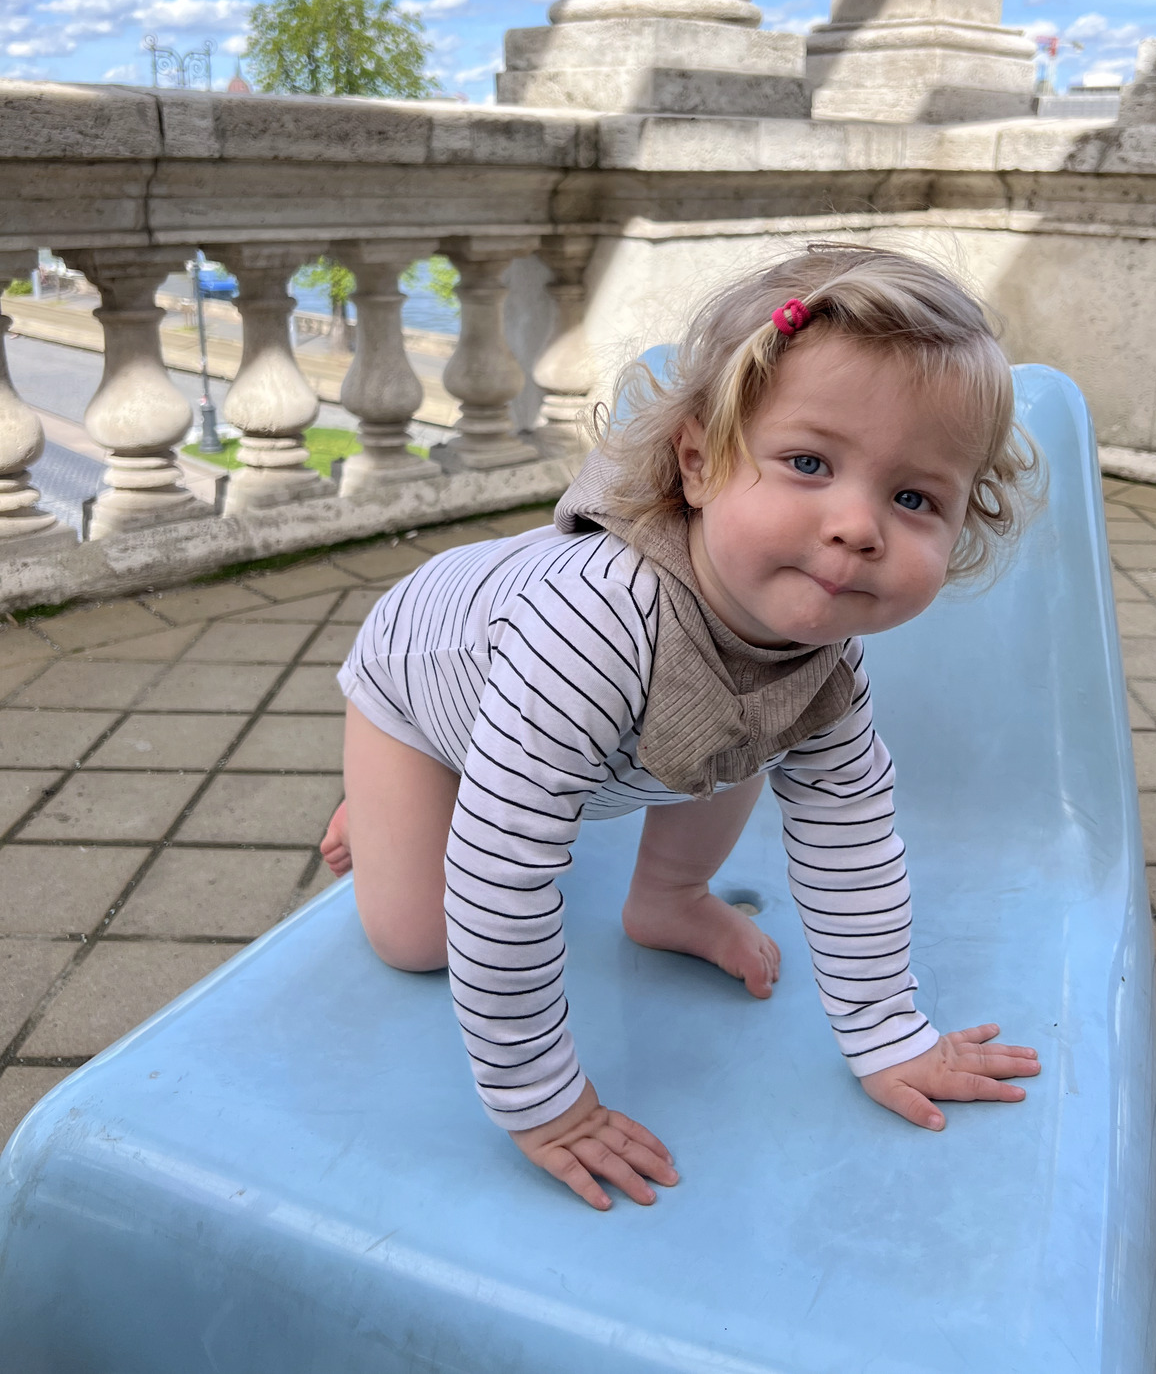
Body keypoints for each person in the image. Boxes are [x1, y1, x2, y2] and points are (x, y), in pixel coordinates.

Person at [320, 245, 1042, 1212]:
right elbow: (504, 871)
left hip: (601, 712)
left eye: (914, 498)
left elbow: (852, 839)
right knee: (420, 937)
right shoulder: (593, 625)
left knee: (752, 724)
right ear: (699, 462)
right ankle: (385, 798)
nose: (856, 525)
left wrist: (888, 1035)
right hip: (426, 696)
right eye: (809, 463)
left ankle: (667, 897)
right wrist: (545, 1104)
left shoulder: (819, 659)